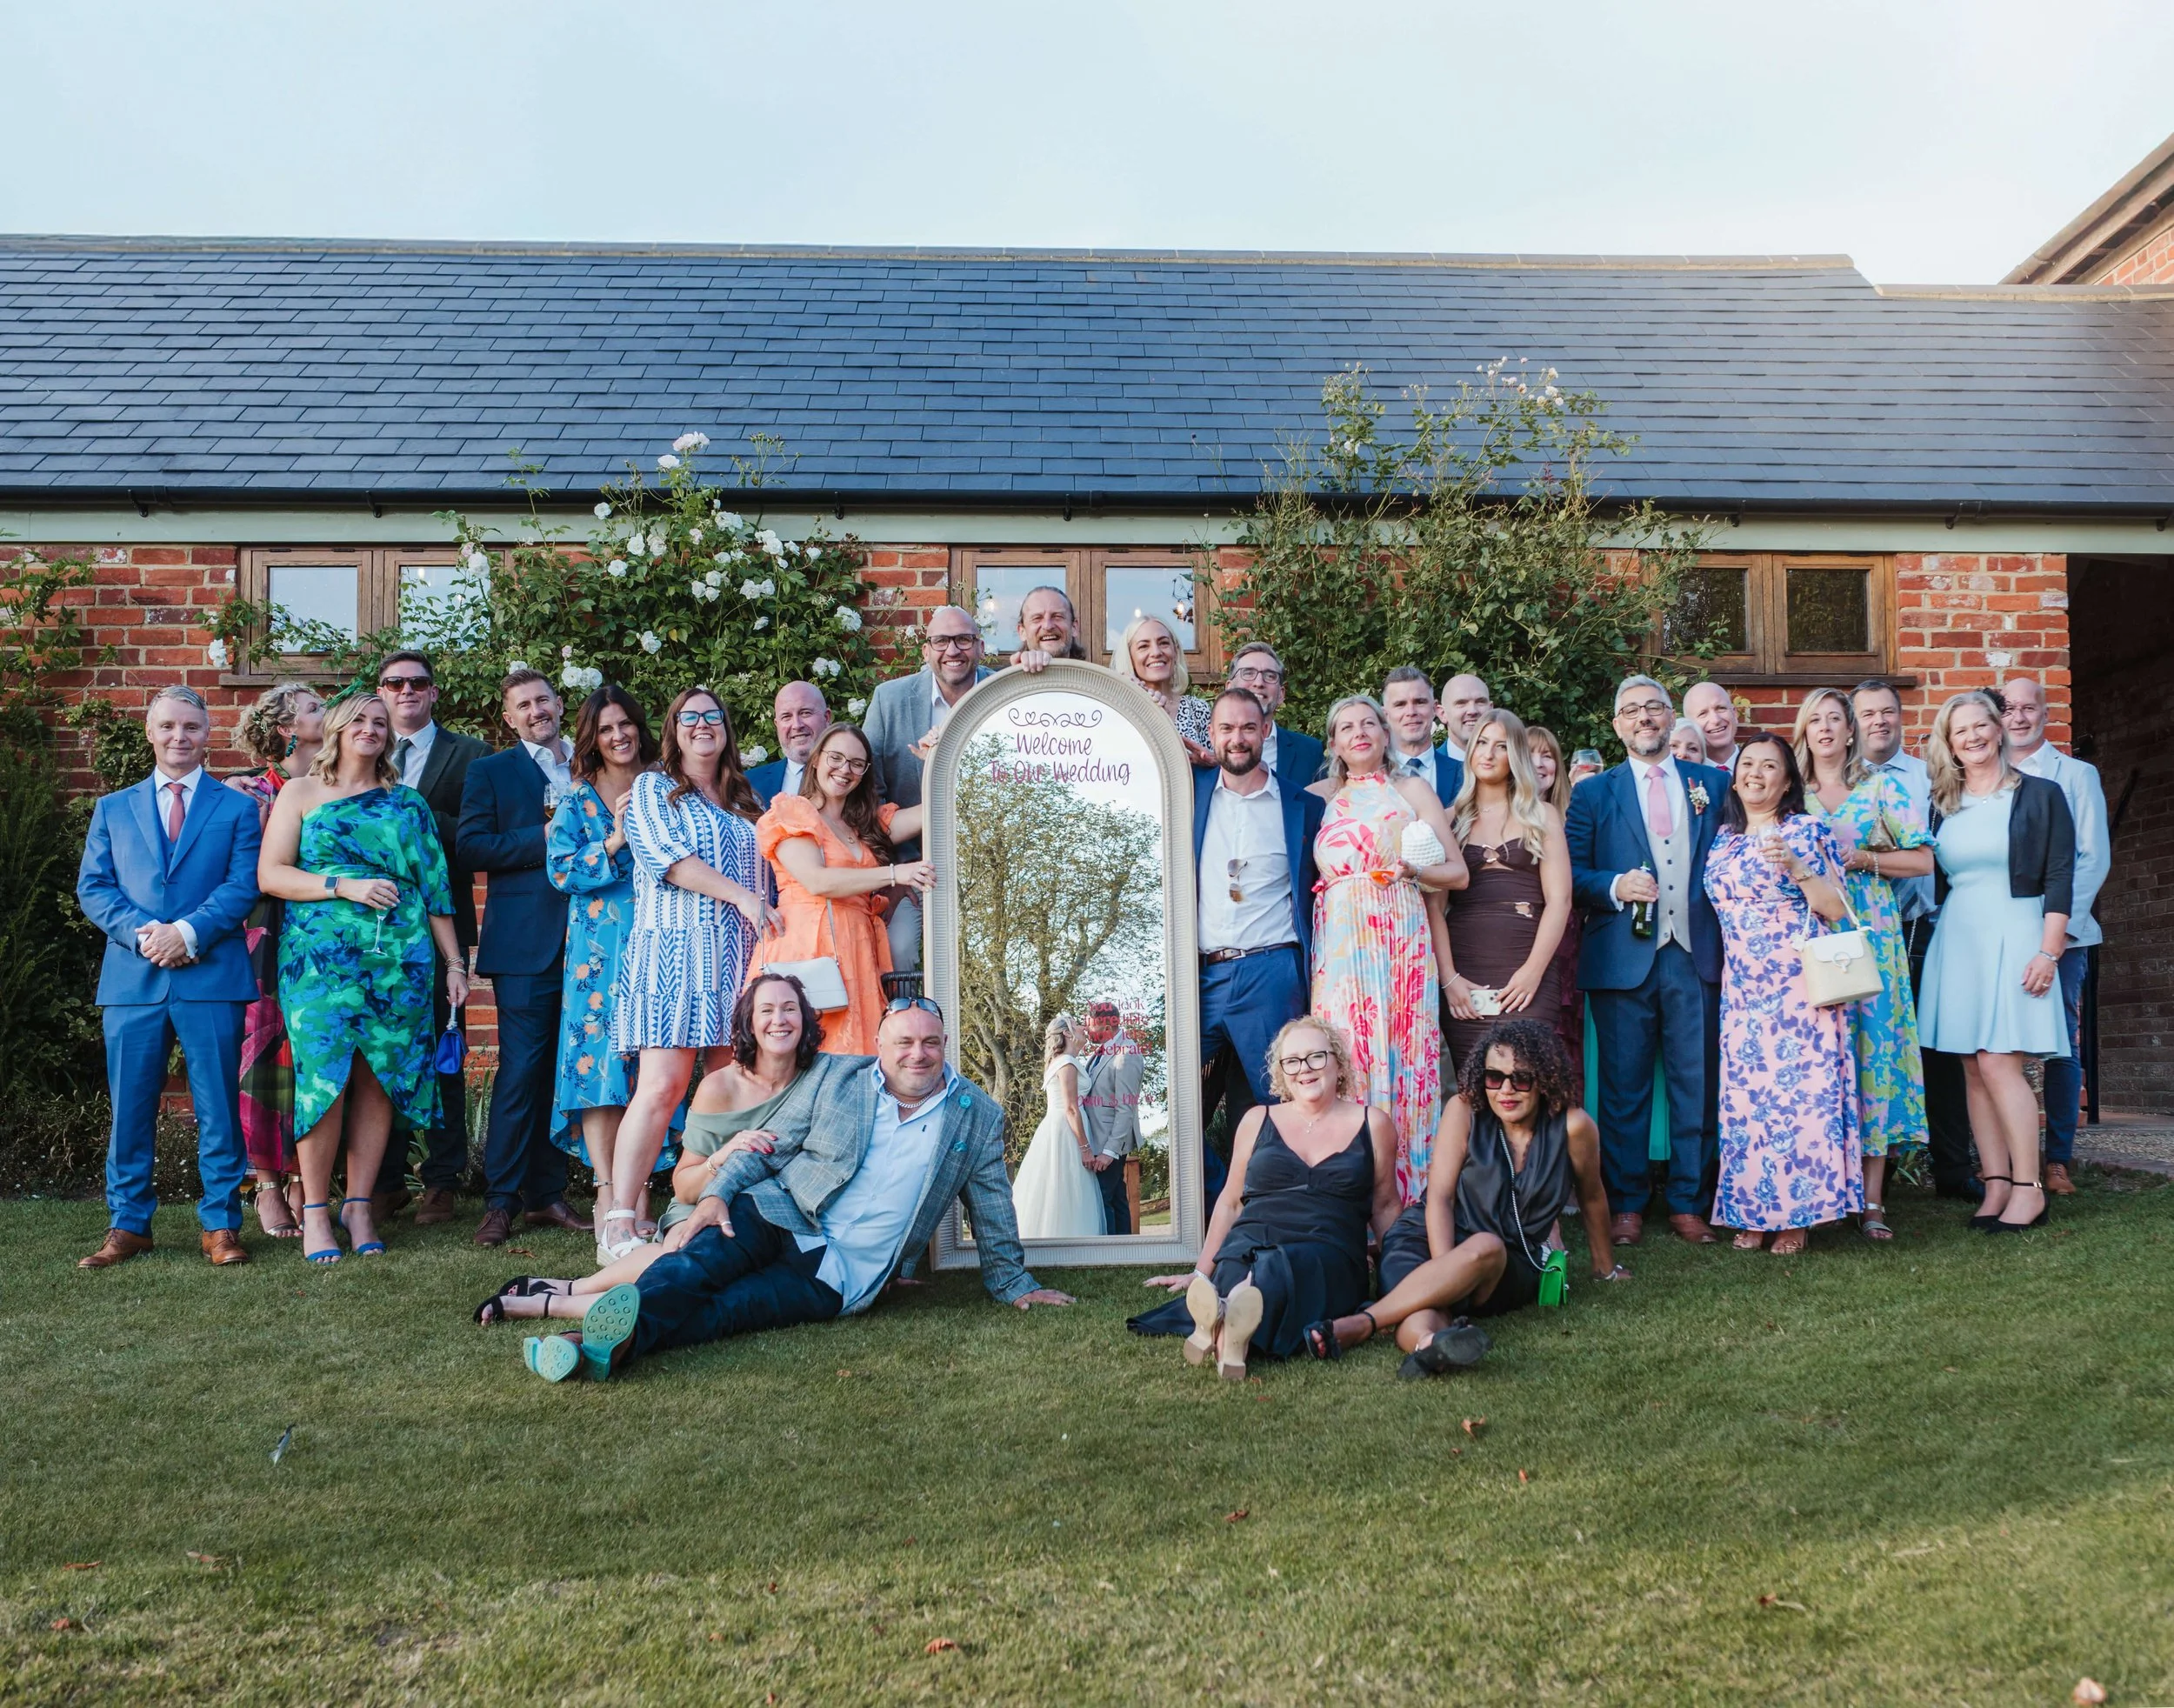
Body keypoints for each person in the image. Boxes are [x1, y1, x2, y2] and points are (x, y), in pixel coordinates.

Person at [509, 997, 1074, 1383]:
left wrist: (1013, 1282)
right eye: (904, 1042)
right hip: (778, 1211)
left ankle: (589, 1346)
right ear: (879, 1043)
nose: (917, 1055)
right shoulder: (840, 1078)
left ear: (944, 1042)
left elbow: (993, 1204)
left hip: (841, 1275)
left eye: (930, 1043)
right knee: (692, 1270)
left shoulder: (975, 1116)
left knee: (727, 1313)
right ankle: (587, 1339)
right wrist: (715, 1195)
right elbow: (771, 1145)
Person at [481, 974, 837, 1315]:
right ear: (749, 1023)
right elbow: (683, 1188)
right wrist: (725, 1155)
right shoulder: (721, 1088)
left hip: (773, 1211)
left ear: (805, 1018)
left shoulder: (824, 1076)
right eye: (766, 1010)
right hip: (705, 1203)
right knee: (688, 1248)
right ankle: (572, 1293)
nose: (780, 1020)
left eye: (790, 1008)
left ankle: (569, 1293)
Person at [257, 692, 464, 1263]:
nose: (372, 728)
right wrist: (341, 886)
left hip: (399, 959)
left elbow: (436, 890)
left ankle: (361, 1205)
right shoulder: (301, 793)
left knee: (379, 1079)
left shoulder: (407, 804)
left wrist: (455, 965)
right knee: (324, 1081)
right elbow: (271, 874)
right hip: (320, 962)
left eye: (381, 722)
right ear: (339, 729)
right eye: (362, 720)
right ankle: (318, 1210)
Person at [76, 685, 264, 1270]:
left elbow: (243, 886)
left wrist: (186, 933)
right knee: (130, 1106)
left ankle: (222, 1225)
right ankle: (129, 1224)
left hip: (211, 974)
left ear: (208, 734)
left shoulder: (237, 808)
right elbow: (95, 888)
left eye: (191, 727)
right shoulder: (113, 808)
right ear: (150, 732)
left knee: (218, 1106)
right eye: (167, 727)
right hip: (134, 978)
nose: (179, 737)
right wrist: (145, 935)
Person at [1338, 1019, 1624, 1376]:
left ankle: (1361, 1323)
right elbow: (1440, 1198)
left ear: (1545, 1080)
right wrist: (1447, 1275)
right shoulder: (1465, 1109)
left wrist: (1604, 1269)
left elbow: (1592, 1197)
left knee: (1486, 1246)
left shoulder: (1573, 1126)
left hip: (1506, 1261)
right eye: (1494, 1077)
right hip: (1427, 1236)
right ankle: (1430, 1345)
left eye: (1521, 1079)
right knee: (1423, 1310)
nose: (1506, 1090)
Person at [603, 687, 775, 1259]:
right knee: (662, 1087)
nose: (703, 725)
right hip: (676, 955)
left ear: (726, 727)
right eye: (689, 718)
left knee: (726, 1092)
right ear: (674, 731)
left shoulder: (745, 798)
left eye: (713, 716)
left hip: (740, 961)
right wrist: (744, 899)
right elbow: (668, 861)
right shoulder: (653, 789)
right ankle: (620, 1220)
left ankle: (704, 1206)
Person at [1132, 1018, 1400, 1379]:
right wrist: (1199, 1273)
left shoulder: (1374, 1123)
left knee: (1277, 1269)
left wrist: (1398, 1282)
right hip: (1251, 1237)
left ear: (1338, 1063)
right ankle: (1230, 1331)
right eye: (1292, 1061)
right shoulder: (1257, 1119)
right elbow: (1230, 1202)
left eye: (1316, 1057)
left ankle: (1219, 1324)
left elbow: (1384, 1207)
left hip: (1327, 1250)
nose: (1304, 1069)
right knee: (1243, 1264)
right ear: (1281, 1072)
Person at [1565, 675, 1731, 1246]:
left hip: (1695, 953)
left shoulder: (1712, 783)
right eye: (1631, 711)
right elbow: (1572, 876)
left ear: (1669, 717)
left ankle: (1690, 1201)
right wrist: (1614, 886)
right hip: (1622, 960)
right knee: (1622, 1089)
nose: (1644, 719)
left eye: (1654, 709)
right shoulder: (1593, 794)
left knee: (1697, 1083)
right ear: (1617, 726)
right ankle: (1628, 1203)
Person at [1919, 690, 2075, 1234]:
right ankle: (1996, 1185)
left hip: (2017, 930)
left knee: (1999, 1062)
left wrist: (2048, 951)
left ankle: (2030, 1189)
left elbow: (2060, 877)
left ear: (1999, 728)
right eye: (1960, 731)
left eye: (1981, 725)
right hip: (1959, 938)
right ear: (1949, 743)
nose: (1973, 737)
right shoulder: (1944, 802)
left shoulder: (2040, 794)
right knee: (1970, 1064)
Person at [1704, 731, 1860, 1255]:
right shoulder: (1724, 838)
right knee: (1747, 1104)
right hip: (1743, 990)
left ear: (1788, 780)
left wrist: (1797, 867)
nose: (1755, 773)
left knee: (1799, 1103)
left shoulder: (1806, 829)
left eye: (1769, 766)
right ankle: (1752, 1212)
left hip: (1798, 990)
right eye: (1748, 763)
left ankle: (1798, 1215)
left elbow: (1836, 908)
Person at [1308, 694, 1467, 1201]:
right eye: (1346, 726)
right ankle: (1347, 1198)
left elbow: (1457, 873)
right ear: (1333, 742)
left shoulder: (1411, 789)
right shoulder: (1318, 796)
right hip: (1338, 951)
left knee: (1403, 1060)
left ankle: (1412, 1201)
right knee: (1347, 1057)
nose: (1359, 732)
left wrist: (1411, 871)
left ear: (1384, 733)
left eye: (1369, 723)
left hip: (1399, 938)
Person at [457, 669, 591, 1248]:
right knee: (519, 1073)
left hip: (591, 940)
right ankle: (501, 1200)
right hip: (524, 946)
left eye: (543, 699)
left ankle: (547, 1194)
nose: (536, 710)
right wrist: (548, 834)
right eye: (523, 705)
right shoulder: (491, 772)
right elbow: (472, 847)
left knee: (566, 1071)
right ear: (508, 718)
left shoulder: (590, 766)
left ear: (559, 704)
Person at [1795, 687, 1933, 1239]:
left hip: (1870, 939)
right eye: (1816, 721)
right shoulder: (1789, 794)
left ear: (1851, 732)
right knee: (1818, 1065)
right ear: (1804, 733)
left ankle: (1872, 1200)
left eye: (1836, 719)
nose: (1826, 728)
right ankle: (1823, 1192)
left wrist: (1866, 858)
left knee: (1873, 1061)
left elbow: (1923, 859)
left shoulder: (1882, 788)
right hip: (1804, 941)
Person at [1192, 685, 1325, 1204]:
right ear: (1212, 735)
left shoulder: (1301, 805)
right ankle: (1217, 1202)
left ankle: (1281, 1211)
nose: (1238, 738)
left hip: (1272, 970)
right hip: (1200, 975)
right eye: (1226, 728)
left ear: (1266, 730)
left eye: (1249, 727)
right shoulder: (1190, 792)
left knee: (1283, 1100)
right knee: (1167, 1093)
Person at [546, 684, 664, 1261]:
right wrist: (616, 840)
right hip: (598, 953)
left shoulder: (667, 786)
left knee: (650, 1070)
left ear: (640, 727)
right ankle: (608, 1193)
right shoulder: (576, 801)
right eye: (606, 729)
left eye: (626, 724)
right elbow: (562, 872)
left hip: (660, 943)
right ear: (592, 738)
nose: (619, 736)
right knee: (599, 1073)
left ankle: (639, 1192)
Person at [377, 650, 490, 1226]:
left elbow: (474, 838)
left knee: (445, 1051)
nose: (406, 692)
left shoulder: (469, 755)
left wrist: (413, 816)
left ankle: (442, 1179)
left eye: (417, 683)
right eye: (394, 683)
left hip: (442, 924)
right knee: (384, 1053)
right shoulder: (362, 750)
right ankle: (385, 1178)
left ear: (434, 692)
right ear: (381, 691)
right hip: (373, 932)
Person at [1854, 677, 1975, 1200]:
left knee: (1938, 1048)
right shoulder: (1843, 779)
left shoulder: (1931, 777)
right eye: (1867, 714)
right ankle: (1869, 1173)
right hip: (1863, 934)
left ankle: (1950, 1167)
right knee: (1868, 1050)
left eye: (1888, 712)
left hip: (1923, 927)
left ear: (1901, 717)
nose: (1879, 722)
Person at [750, 722, 930, 1057]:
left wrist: (935, 760)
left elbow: (933, 810)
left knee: (858, 1055)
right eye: (836, 757)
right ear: (816, 760)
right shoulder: (792, 812)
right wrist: (896, 873)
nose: (844, 770)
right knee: (806, 1052)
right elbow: (818, 881)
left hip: (858, 945)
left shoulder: (866, 824)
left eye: (856, 764)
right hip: (807, 942)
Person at [2002, 674, 2111, 1198]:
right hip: (2000, 932)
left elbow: (2092, 858)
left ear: (2046, 714)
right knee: (2001, 1047)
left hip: (2063, 936)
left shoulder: (2076, 775)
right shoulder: (1984, 777)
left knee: (2061, 1045)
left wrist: (2056, 932)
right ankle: (2004, 1159)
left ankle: (2058, 1159)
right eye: (2009, 708)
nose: (2018, 717)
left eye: (2029, 708)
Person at [224, 682, 324, 1238]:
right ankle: (266, 1182)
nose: (325, 713)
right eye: (313, 708)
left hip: (322, 937)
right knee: (264, 1057)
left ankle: (304, 1182)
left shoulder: (335, 783)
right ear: (287, 729)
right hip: (264, 936)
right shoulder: (248, 793)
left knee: (314, 1056)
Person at [1439, 711, 1572, 1073]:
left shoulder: (1542, 815)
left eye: (1500, 746)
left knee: (1527, 1076)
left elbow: (1560, 901)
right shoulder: (1449, 820)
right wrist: (1448, 979)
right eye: (1481, 742)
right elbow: (1433, 909)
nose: (1488, 753)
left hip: (1527, 968)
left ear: (1514, 755)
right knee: (1475, 1085)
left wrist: (1533, 971)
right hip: (1464, 972)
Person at [865, 604, 993, 973]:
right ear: (925, 651)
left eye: (963, 640)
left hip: (992, 867)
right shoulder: (889, 700)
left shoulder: (1004, 696)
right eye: (941, 641)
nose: (952, 650)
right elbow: (869, 795)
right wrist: (892, 873)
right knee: (898, 949)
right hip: (911, 867)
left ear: (980, 647)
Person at [1525, 724, 1586, 1078]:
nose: (1539, 763)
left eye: (1547, 755)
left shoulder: (1574, 816)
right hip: (1528, 937)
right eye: (1531, 754)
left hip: (1572, 942)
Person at [1011, 1014, 1104, 1239]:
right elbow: (1071, 1108)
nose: (1083, 1027)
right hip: (1067, 1131)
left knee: (1060, 1186)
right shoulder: (1067, 1063)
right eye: (1076, 1024)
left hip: (1059, 1127)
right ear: (1067, 1033)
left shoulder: (1064, 1061)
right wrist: (1085, 1148)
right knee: (1067, 1185)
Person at [1078, 999, 1145, 1234]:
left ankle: (1106, 1250)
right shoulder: (1100, 1051)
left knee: (1103, 1197)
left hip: (1111, 1141)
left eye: (1090, 1025)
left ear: (1105, 1026)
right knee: (1116, 1196)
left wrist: (1109, 1151)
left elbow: (1126, 1108)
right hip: (1097, 1137)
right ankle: (1125, 1248)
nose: (1086, 1029)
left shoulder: (1127, 1054)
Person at [1225, 642, 1325, 793]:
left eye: (1270, 676)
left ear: (1281, 694)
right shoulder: (1207, 748)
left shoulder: (1310, 753)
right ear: (1229, 688)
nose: (1259, 683)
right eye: (1248, 673)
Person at [1111, 613, 1211, 754]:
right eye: (1144, 646)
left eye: (1163, 643)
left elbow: (1217, 770)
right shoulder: (1119, 712)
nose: (1156, 652)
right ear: (1130, 657)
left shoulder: (1198, 709)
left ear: (1175, 651)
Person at [1381, 665, 1464, 804]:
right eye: (1400, 704)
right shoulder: (1368, 776)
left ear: (1434, 709)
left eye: (1420, 702)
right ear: (1385, 715)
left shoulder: (1466, 775)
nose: (1411, 712)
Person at [745, 679, 826, 808]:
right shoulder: (749, 784)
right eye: (786, 717)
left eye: (805, 713)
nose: (797, 725)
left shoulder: (852, 780)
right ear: (777, 725)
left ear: (827, 718)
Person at [1010, 584, 1089, 671]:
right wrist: (1016, 676)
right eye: (1037, 618)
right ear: (1022, 632)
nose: (1048, 626)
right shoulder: (1000, 683)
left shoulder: (1096, 682)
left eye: (1057, 617)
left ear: (1074, 627)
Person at [1684, 682, 1742, 773]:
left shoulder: (1761, 767)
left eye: (1721, 708)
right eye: (1703, 713)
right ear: (1690, 725)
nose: (1716, 720)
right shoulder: (1682, 773)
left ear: (1734, 714)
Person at [1437, 673, 1492, 766]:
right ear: (1443, 714)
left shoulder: (1514, 767)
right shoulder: (1427, 770)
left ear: (1491, 709)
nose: (1472, 711)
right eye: (1461, 703)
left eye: (1480, 702)